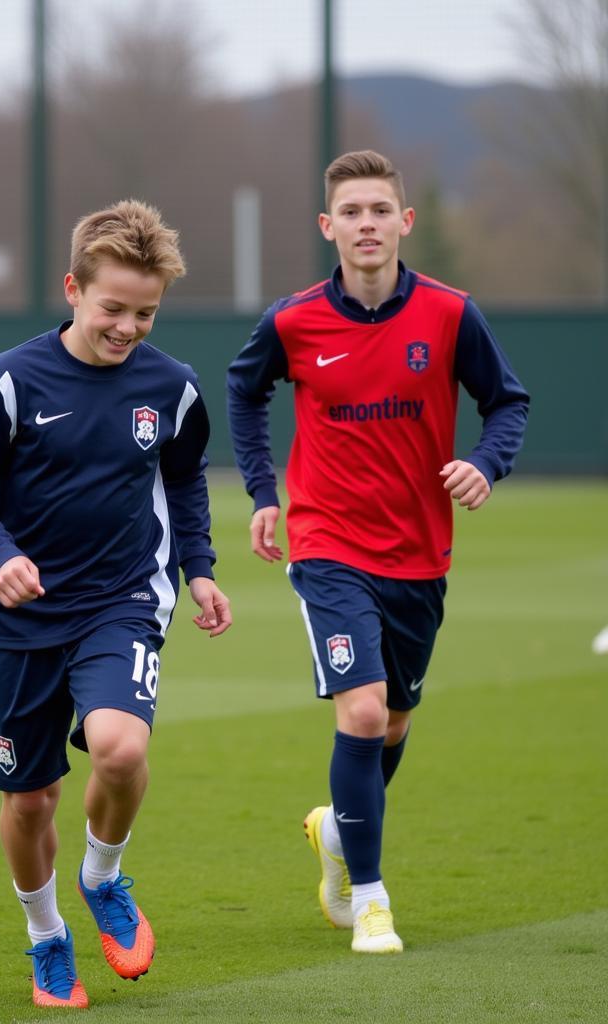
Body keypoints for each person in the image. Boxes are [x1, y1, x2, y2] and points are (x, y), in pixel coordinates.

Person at [227, 150, 529, 954]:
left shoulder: (451, 313)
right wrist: (264, 493)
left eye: (379, 210)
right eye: (351, 212)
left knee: (390, 725)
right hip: (326, 541)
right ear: (329, 227)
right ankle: (370, 899)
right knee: (360, 710)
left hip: (421, 554)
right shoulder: (292, 320)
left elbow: (507, 403)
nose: (366, 224)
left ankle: (336, 830)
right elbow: (244, 392)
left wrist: (486, 464)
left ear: (405, 221)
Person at [0, 199, 231, 1009]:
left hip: (122, 600)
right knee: (29, 799)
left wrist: (199, 569)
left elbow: (183, 481)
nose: (128, 326)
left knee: (121, 751)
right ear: (73, 288)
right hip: (20, 616)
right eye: (112, 308)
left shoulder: (171, 386)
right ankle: (46, 939)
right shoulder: (12, 378)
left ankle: (103, 874)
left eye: (146, 312)